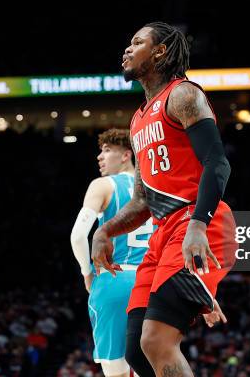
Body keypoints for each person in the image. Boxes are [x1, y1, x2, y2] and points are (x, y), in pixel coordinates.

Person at [91, 22, 236, 377]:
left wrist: (198, 224)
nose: (127, 49)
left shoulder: (183, 95)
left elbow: (217, 163)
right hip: (162, 231)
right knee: (138, 353)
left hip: (199, 222)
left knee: (156, 342)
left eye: (137, 42)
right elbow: (142, 201)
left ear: (160, 51)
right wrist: (106, 231)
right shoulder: (139, 120)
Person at [70, 128, 153, 377]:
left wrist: (87, 273)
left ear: (127, 155)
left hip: (115, 279)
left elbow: (77, 236)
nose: (100, 157)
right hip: (152, 283)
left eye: (107, 150)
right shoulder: (154, 187)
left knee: (115, 370)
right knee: (148, 365)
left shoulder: (103, 185)